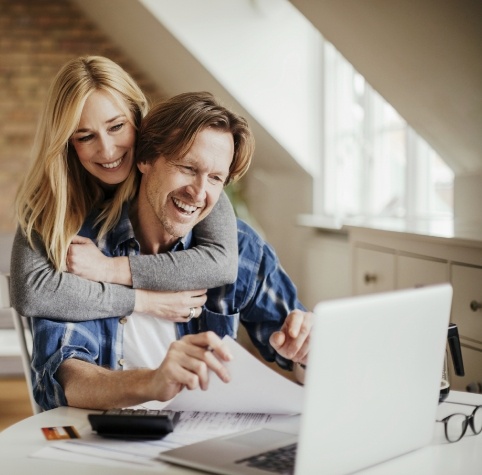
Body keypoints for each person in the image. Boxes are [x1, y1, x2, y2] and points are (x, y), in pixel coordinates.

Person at [31, 91, 313, 411]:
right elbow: (64, 377)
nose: (199, 193)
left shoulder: (241, 247)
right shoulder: (82, 249)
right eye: (187, 168)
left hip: (205, 438)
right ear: (145, 159)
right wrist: (151, 382)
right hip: (108, 438)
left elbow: (297, 353)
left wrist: (307, 353)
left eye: (215, 178)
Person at [10, 56, 239, 324]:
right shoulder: (51, 197)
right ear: (67, 144)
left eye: (116, 127)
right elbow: (31, 291)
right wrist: (144, 301)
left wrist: (109, 269)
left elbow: (221, 263)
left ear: (136, 117)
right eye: (85, 136)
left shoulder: (175, 171)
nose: (107, 150)